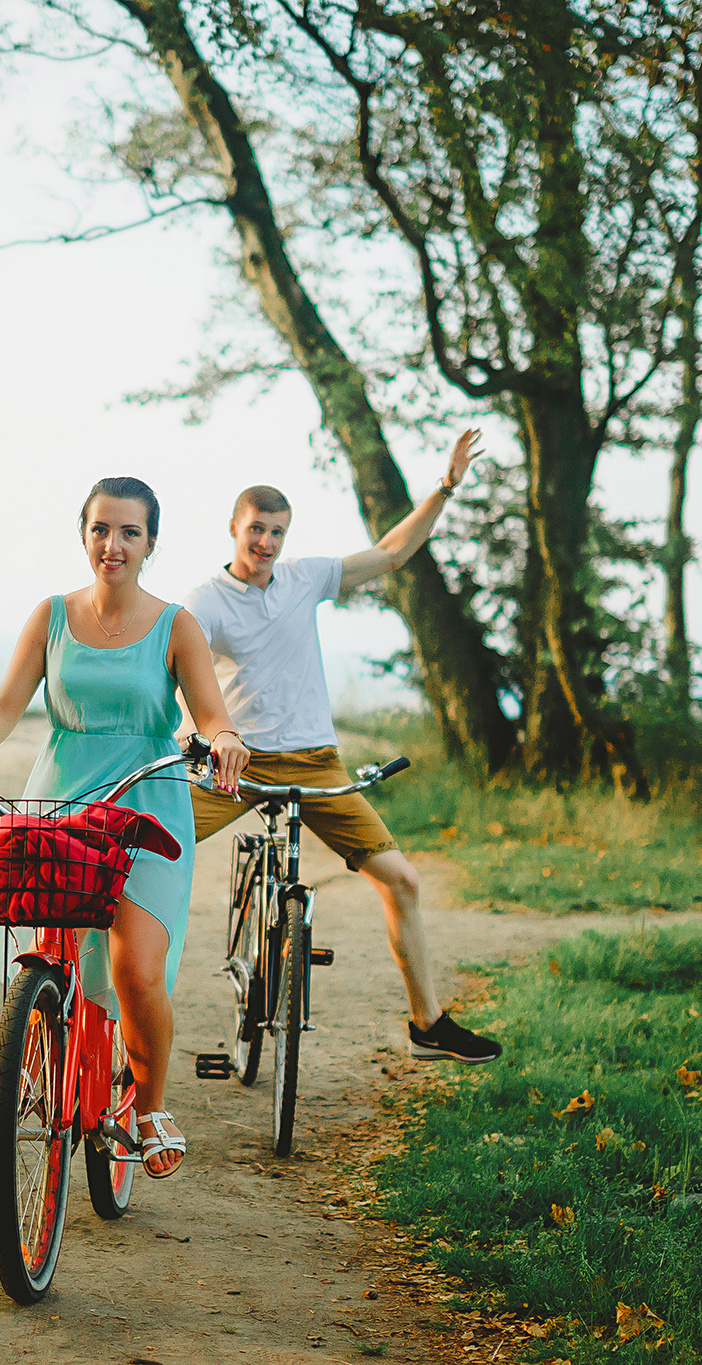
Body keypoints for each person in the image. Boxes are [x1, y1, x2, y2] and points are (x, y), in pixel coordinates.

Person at [0, 477, 251, 1178]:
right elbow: (4, 708)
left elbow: (212, 714)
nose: (113, 544)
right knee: (45, 945)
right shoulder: (51, 616)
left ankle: (149, 1108)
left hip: (146, 807)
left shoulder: (176, 625)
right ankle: (31, 1057)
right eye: (101, 529)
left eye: (129, 532)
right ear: (83, 535)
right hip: (63, 798)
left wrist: (224, 740)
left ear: (151, 543)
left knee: (135, 969)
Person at [183, 430, 503, 1065]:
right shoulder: (204, 601)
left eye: (277, 532)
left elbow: (390, 553)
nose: (266, 542)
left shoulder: (305, 578)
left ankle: (427, 1025)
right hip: (236, 764)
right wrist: (202, 739)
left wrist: (445, 487)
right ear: (234, 528)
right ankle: (94, 1009)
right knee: (142, 851)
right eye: (256, 529)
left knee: (402, 880)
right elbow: (183, 678)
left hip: (316, 764)